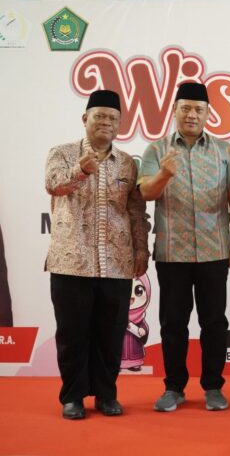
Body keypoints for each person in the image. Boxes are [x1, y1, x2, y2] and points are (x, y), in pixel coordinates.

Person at [139, 82, 230, 412]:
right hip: (172, 253)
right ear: (174, 111)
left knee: (214, 322)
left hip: (215, 251)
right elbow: (146, 193)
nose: (191, 114)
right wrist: (164, 174)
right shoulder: (156, 150)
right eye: (185, 108)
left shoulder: (224, 151)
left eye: (198, 109)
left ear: (208, 113)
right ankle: (174, 387)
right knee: (173, 323)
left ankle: (213, 387)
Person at [45, 89, 149, 419]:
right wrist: (81, 170)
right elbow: (53, 185)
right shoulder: (62, 153)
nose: (106, 122)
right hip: (71, 261)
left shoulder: (127, 163)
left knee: (110, 335)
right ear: (85, 118)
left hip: (117, 263)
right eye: (100, 116)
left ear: (119, 124)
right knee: (72, 335)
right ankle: (73, 397)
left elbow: (135, 210)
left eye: (113, 118)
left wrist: (141, 249)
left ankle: (106, 395)